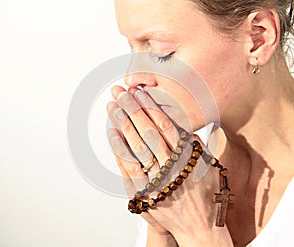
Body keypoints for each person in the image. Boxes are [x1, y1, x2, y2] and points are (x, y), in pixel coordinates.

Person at [107, 0, 294, 246]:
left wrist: (200, 232)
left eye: (162, 53)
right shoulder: (180, 167)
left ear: (258, 37)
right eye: (133, 49)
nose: (132, 78)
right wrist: (162, 229)